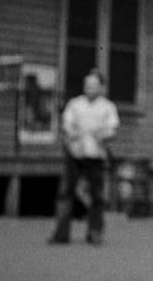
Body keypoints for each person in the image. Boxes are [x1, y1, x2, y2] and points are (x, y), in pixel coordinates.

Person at [49, 67, 119, 245]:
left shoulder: (108, 107)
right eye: (87, 84)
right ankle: (61, 233)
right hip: (75, 154)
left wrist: (104, 134)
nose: (89, 87)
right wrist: (71, 135)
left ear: (101, 87)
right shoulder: (75, 104)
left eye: (94, 85)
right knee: (65, 193)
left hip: (95, 155)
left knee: (97, 195)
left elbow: (113, 129)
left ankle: (95, 232)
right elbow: (67, 124)